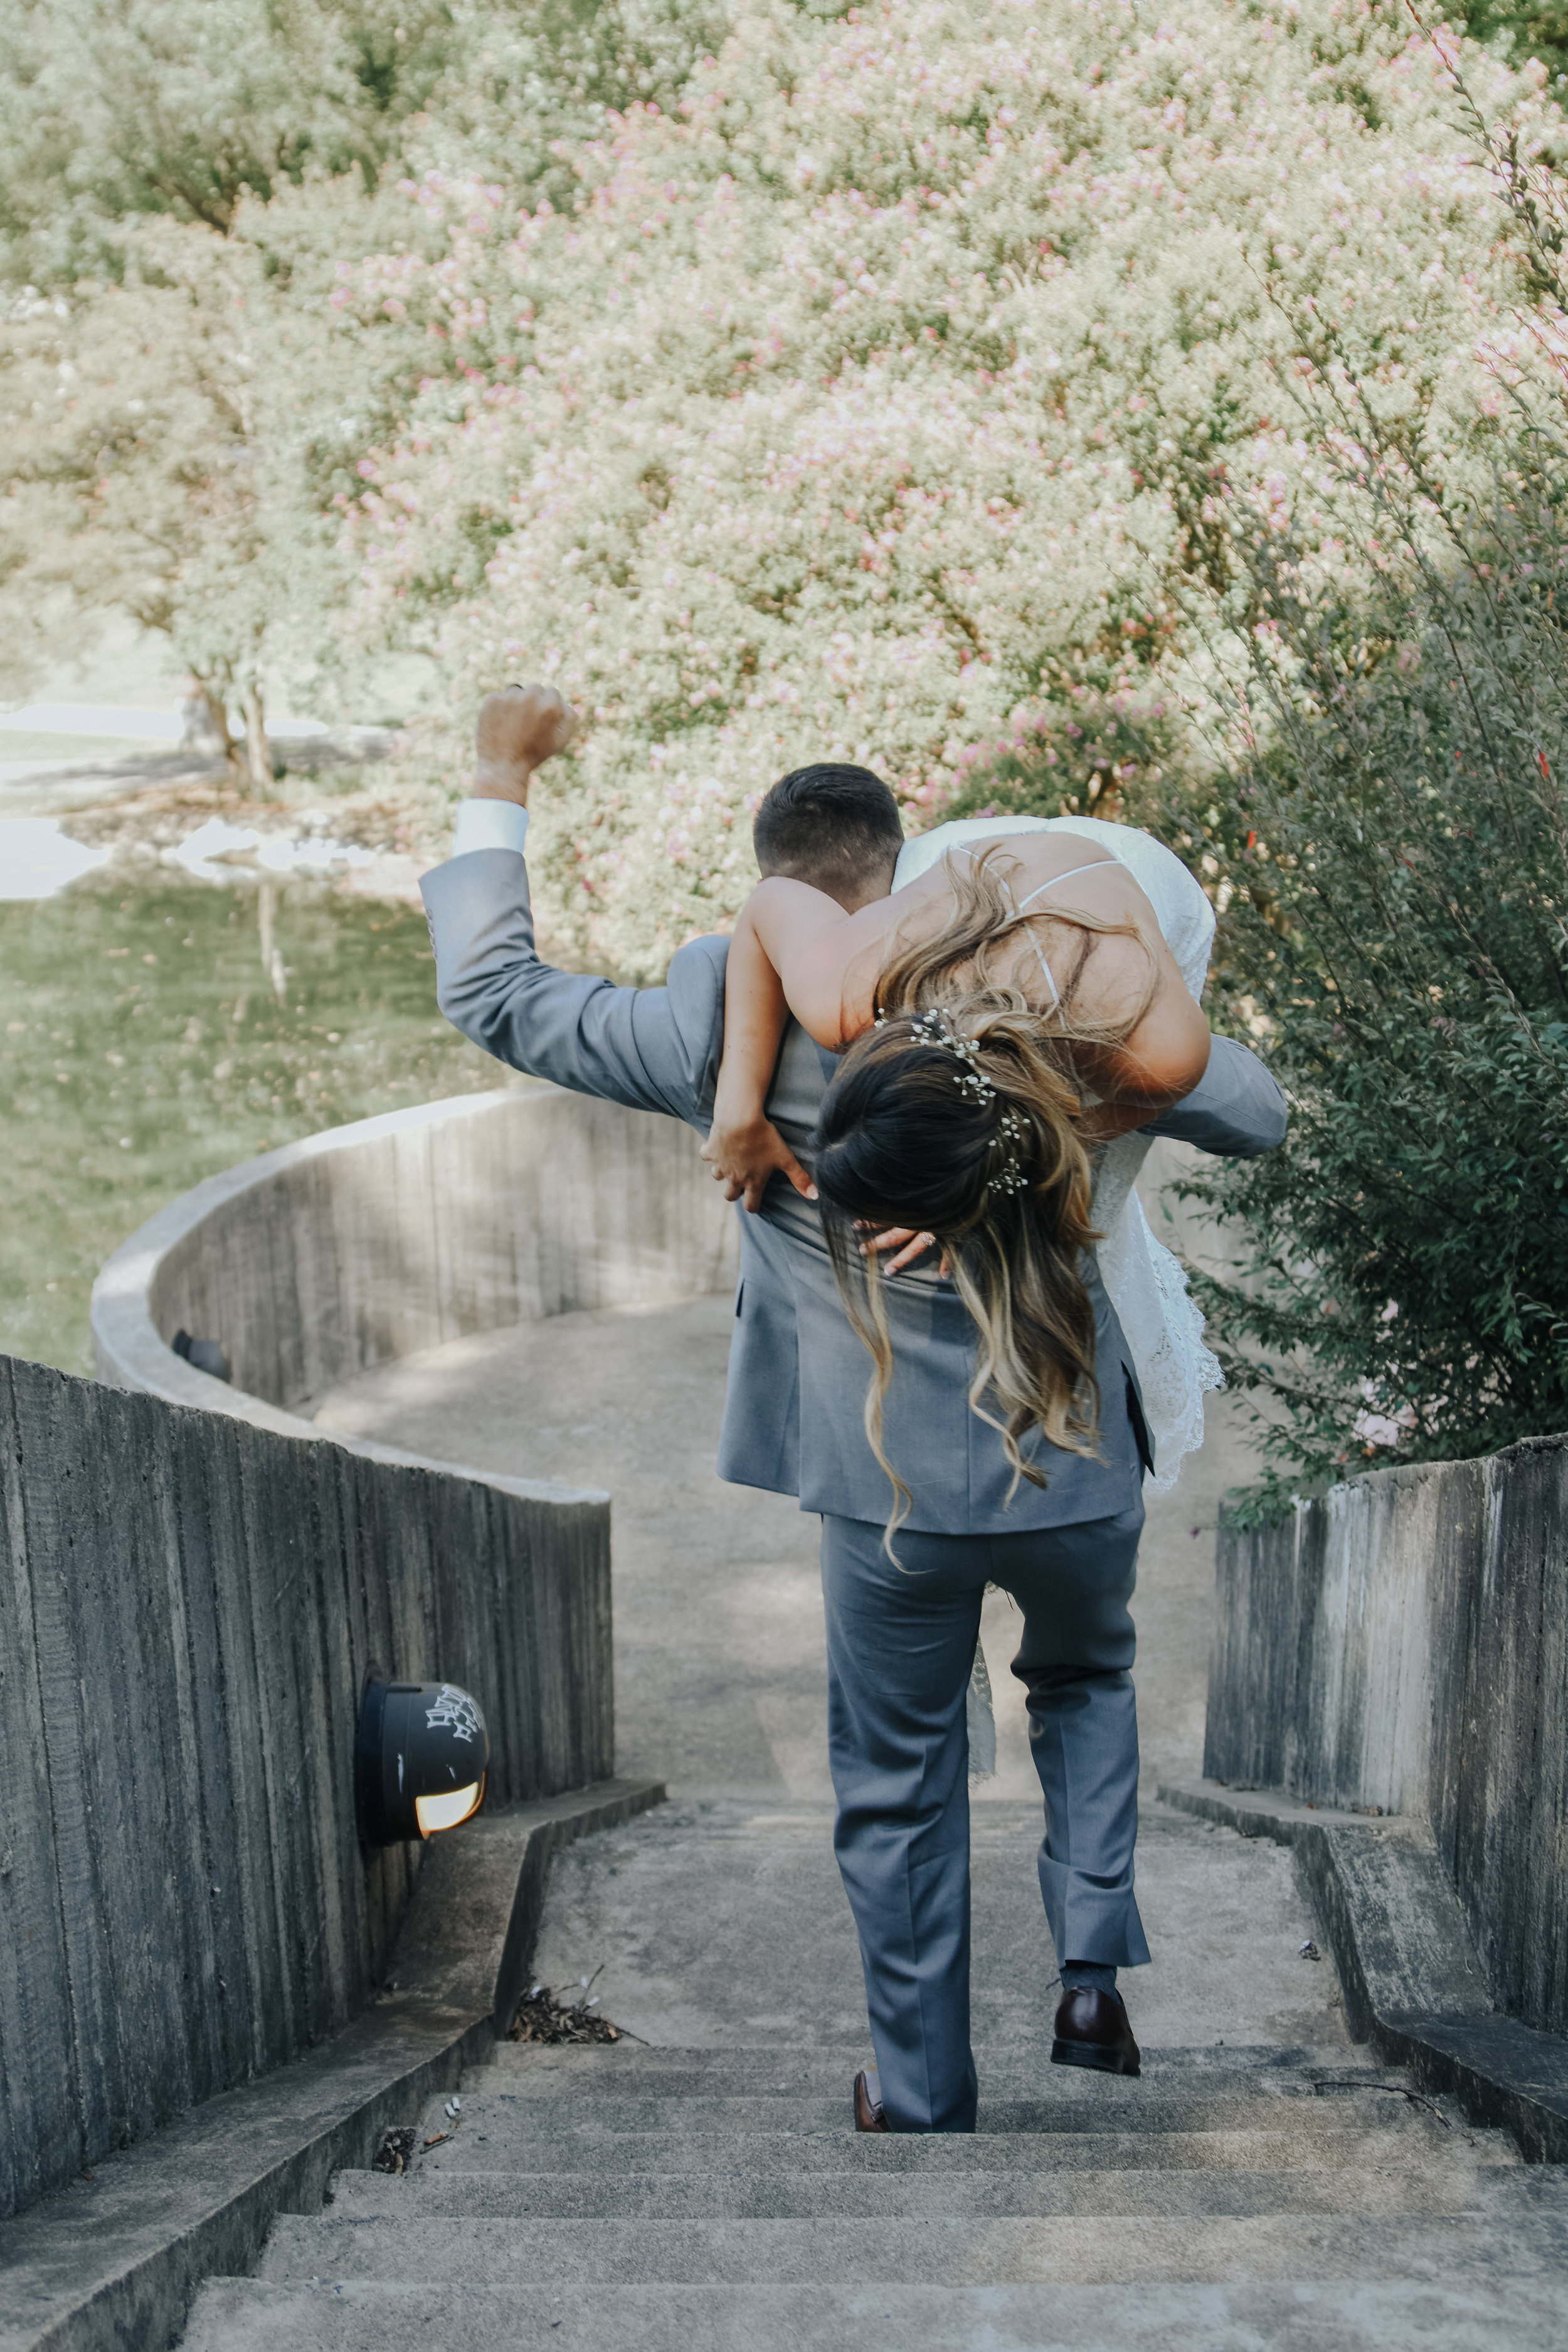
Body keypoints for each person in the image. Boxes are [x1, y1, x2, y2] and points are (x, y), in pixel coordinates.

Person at [420, 685, 1288, 2132]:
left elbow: (494, 997)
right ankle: (1086, 1967)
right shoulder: (1055, 1011)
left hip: (882, 1486)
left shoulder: (726, 1017)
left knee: (895, 1779)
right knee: (1083, 1684)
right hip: (1068, 1455)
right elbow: (1254, 1111)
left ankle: (919, 2085)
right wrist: (1080, 1109)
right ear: (906, 865)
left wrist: (498, 771)